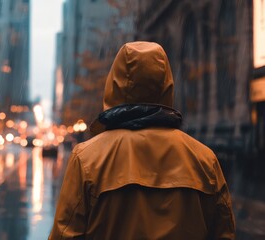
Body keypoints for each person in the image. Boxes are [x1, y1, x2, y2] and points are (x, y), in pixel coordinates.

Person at [48, 41, 235, 239]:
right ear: (166, 83)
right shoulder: (205, 160)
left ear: (114, 83)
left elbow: (65, 234)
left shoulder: (87, 159)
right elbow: (224, 233)